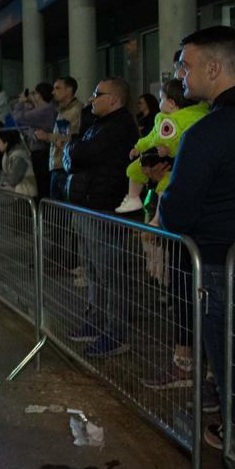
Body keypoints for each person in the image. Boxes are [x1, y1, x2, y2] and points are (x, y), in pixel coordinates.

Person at [154, 26, 235, 469]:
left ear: (215, 68)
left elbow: (178, 212)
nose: (182, 74)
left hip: (227, 271)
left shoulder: (209, 132)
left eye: (187, 65)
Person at [63, 77, 139, 358]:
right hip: (87, 205)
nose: (92, 99)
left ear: (114, 99)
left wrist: (72, 150)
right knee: (93, 271)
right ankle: (95, 322)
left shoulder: (118, 127)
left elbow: (81, 153)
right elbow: (74, 156)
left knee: (111, 273)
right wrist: (73, 151)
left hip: (104, 208)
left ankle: (115, 332)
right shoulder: (99, 125)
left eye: (98, 94)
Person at [115, 78, 208, 214]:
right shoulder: (161, 119)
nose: (160, 103)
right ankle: (133, 198)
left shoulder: (191, 119)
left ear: (171, 103)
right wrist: (139, 147)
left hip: (176, 165)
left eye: (161, 99)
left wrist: (171, 150)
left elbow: (187, 142)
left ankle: (158, 217)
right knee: (134, 169)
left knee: (164, 188)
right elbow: (152, 137)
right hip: (158, 159)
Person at [11, 82, 56, 198]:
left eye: (34, 93)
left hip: (42, 151)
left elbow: (18, 118)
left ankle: (44, 213)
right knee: (43, 184)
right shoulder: (48, 109)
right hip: (44, 150)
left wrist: (21, 102)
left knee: (42, 185)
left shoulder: (45, 110)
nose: (32, 96)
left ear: (39, 95)